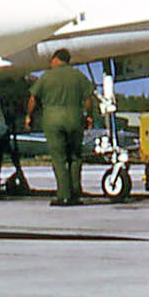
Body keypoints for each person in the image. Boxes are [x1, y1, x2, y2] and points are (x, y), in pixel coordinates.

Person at [25, 49, 97, 206]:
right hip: (75, 119)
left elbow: (33, 98)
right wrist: (88, 115)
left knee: (59, 159)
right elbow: (88, 99)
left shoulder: (46, 76)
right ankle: (76, 194)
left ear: (56, 60)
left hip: (53, 120)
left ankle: (63, 195)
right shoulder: (78, 76)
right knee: (76, 157)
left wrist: (29, 116)